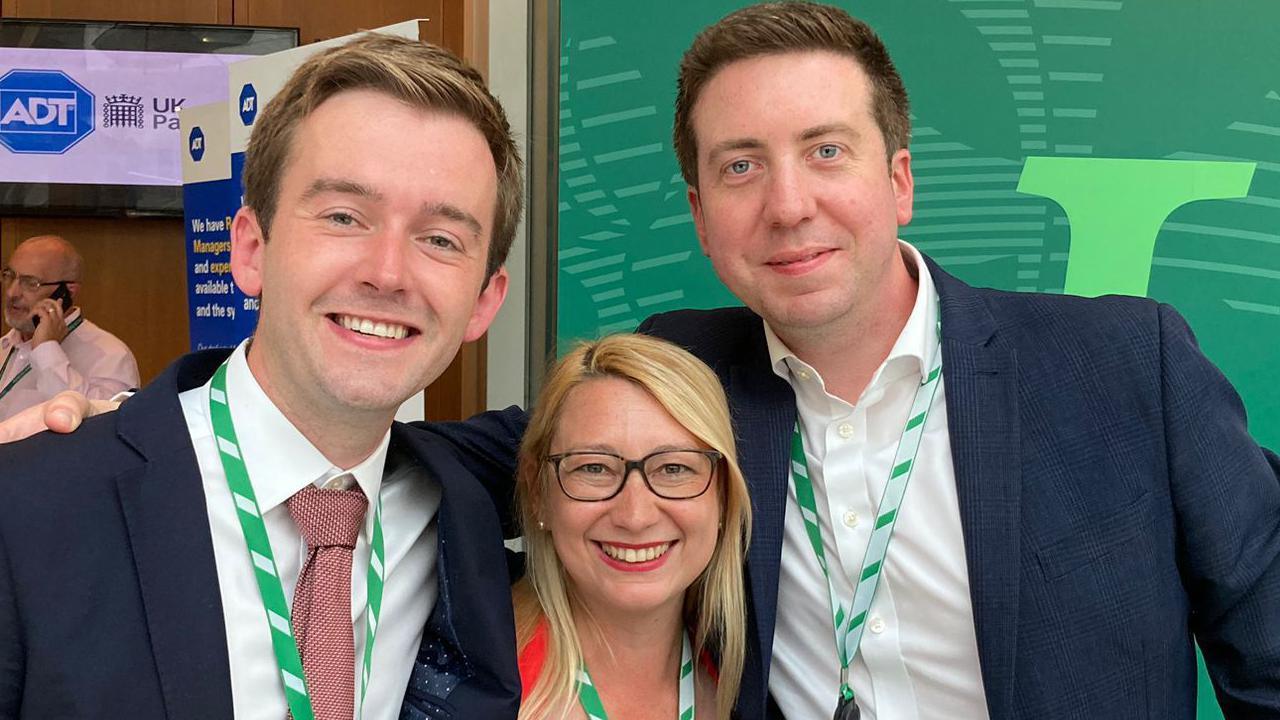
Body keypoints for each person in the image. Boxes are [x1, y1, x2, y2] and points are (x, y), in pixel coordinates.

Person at [11, 3, 1280, 719]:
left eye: (826, 152)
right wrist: (116, 433)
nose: (787, 205)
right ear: (698, 211)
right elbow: (422, 435)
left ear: (899, 177)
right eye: (739, 167)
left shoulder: (1122, 365)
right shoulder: (683, 378)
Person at [0, 33, 523, 719]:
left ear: (485, 299)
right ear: (249, 249)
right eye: (343, 216)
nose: (388, 272)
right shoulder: (30, 510)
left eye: (440, 239)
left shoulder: (464, 519)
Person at [512, 334, 750, 720]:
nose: (635, 517)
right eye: (594, 468)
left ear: (723, 496)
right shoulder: (466, 687)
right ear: (538, 491)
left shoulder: (751, 692)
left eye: (674, 468)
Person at [1, 234, 138, 421]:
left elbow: (102, 428)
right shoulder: (5, 346)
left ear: (66, 292)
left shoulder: (110, 355)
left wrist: (46, 350)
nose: (12, 292)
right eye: (9, 276)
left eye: (31, 283)